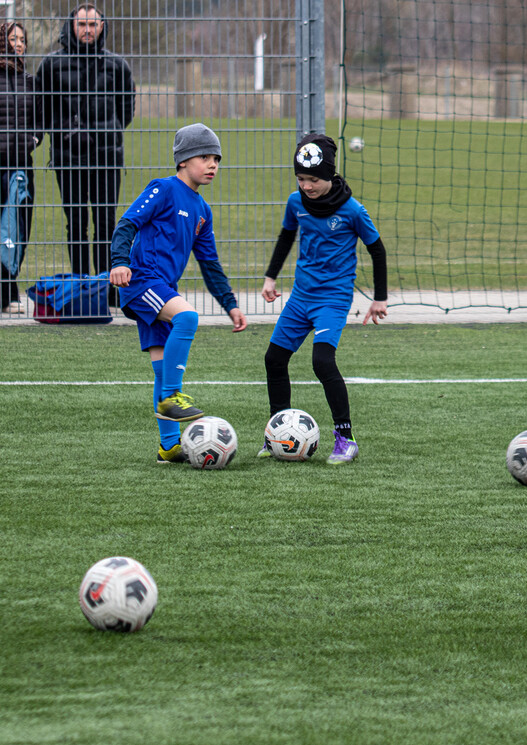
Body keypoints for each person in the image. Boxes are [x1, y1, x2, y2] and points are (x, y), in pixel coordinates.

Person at [109, 123, 246, 464]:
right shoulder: (164, 188)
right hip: (142, 281)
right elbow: (127, 223)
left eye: (217, 159)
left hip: (163, 288)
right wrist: (120, 262)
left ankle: (169, 446)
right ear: (183, 160)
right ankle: (172, 396)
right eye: (205, 157)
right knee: (187, 317)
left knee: (161, 367)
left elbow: (209, 263)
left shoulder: (202, 210)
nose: (212, 165)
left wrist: (230, 304)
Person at [259, 134, 389, 465]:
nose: (307, 186)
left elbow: (377, 250)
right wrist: (271, 277)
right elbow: (286, 236)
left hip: (332, 298)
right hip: (301, 297)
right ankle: (277, 434)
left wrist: (380, 299)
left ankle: (346, 439)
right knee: (274, 359)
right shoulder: (295, 202)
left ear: (330, 174)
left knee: (322, 362)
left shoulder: (352, 210)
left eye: (313, 179)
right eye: (301, 179)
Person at [36, 3, 135, 294]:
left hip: (107, 156)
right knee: (76, 223)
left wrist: (107, 132)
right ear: (72, 25)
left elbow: (126, 109)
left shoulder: (117, 65)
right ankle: (81, 288)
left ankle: (106, 288)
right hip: (69, 157)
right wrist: (66, 131)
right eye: (82, 24)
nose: (87, 30)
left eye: (93, 24)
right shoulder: (52, 64)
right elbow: (43, 108)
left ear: (102, 27)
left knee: (106, 223)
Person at [0, 21, 41, 314]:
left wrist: (34, 139)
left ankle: (9, 287)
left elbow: (41, 117)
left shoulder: (30, 81)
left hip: (21, 165)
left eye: (22, 40)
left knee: (19, 229)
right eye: (13, 38)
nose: (19, 44)